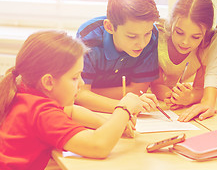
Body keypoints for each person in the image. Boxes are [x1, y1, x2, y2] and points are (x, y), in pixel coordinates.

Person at [0, 30, 158, 170]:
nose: (81, 83)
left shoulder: (23, 92)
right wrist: (124, 108)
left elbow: (71, 111)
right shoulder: (42, 112)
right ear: (48, 82)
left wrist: (110, 124)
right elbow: (98, 146)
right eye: (75, 77)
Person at [75, 0, 160, 113]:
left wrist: (91, 94)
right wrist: (125, 106)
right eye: (132, 36)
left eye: (147, 33)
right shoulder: (88, 37)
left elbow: (138, 90)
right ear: (109, 27)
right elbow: (79, 95)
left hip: (107, 109)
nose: (142, 43)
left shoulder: (152, 35)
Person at [150, 0, 215, 119]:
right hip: (151, 94)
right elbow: (155, 84)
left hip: (180, 93)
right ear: (172, 22)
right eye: (179, 33)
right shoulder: (158, 38)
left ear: (205, 33)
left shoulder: (205, 48)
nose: (185, 42)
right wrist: (169, 96)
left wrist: (189, 98)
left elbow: (201, 89)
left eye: (195, 37)